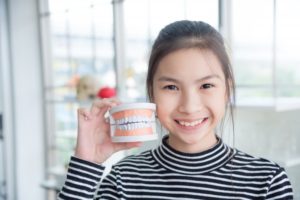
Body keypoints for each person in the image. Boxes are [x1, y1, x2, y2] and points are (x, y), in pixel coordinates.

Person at [57, 20, 293, 199]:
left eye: (206, 85)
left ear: (227, 91)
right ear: (152, 93)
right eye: (171, 87)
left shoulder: (268, 181)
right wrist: (85, 163)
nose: (189, 107)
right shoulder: (123, 180)